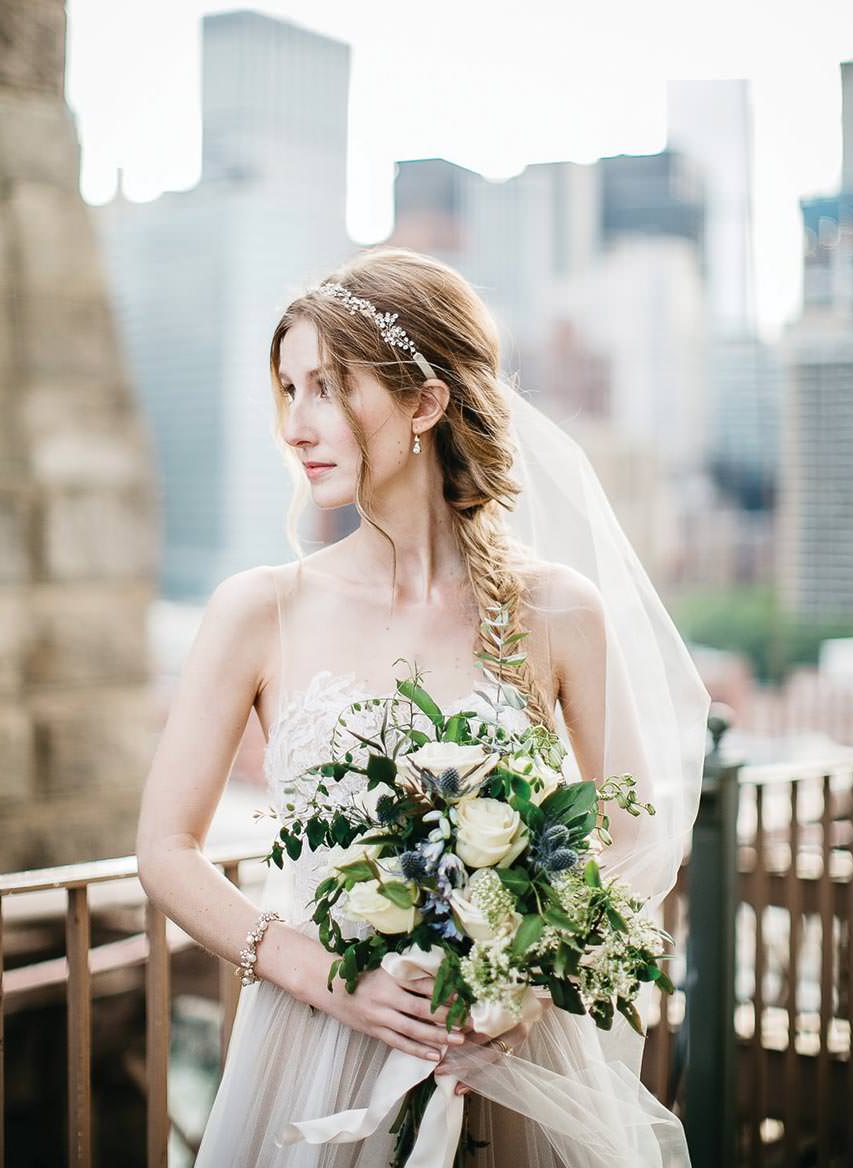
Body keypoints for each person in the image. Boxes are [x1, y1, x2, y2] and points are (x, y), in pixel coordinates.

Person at [135, 247, 704, 1165]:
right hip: (314, 1050)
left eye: (326, 387)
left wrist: (520, 980)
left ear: (424, 405)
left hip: (506, 1062)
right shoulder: (259, 609)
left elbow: (635, 833)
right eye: (288, 390)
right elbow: (165, 850)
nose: (296, 423)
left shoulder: (557, 612)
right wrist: (325, 977)